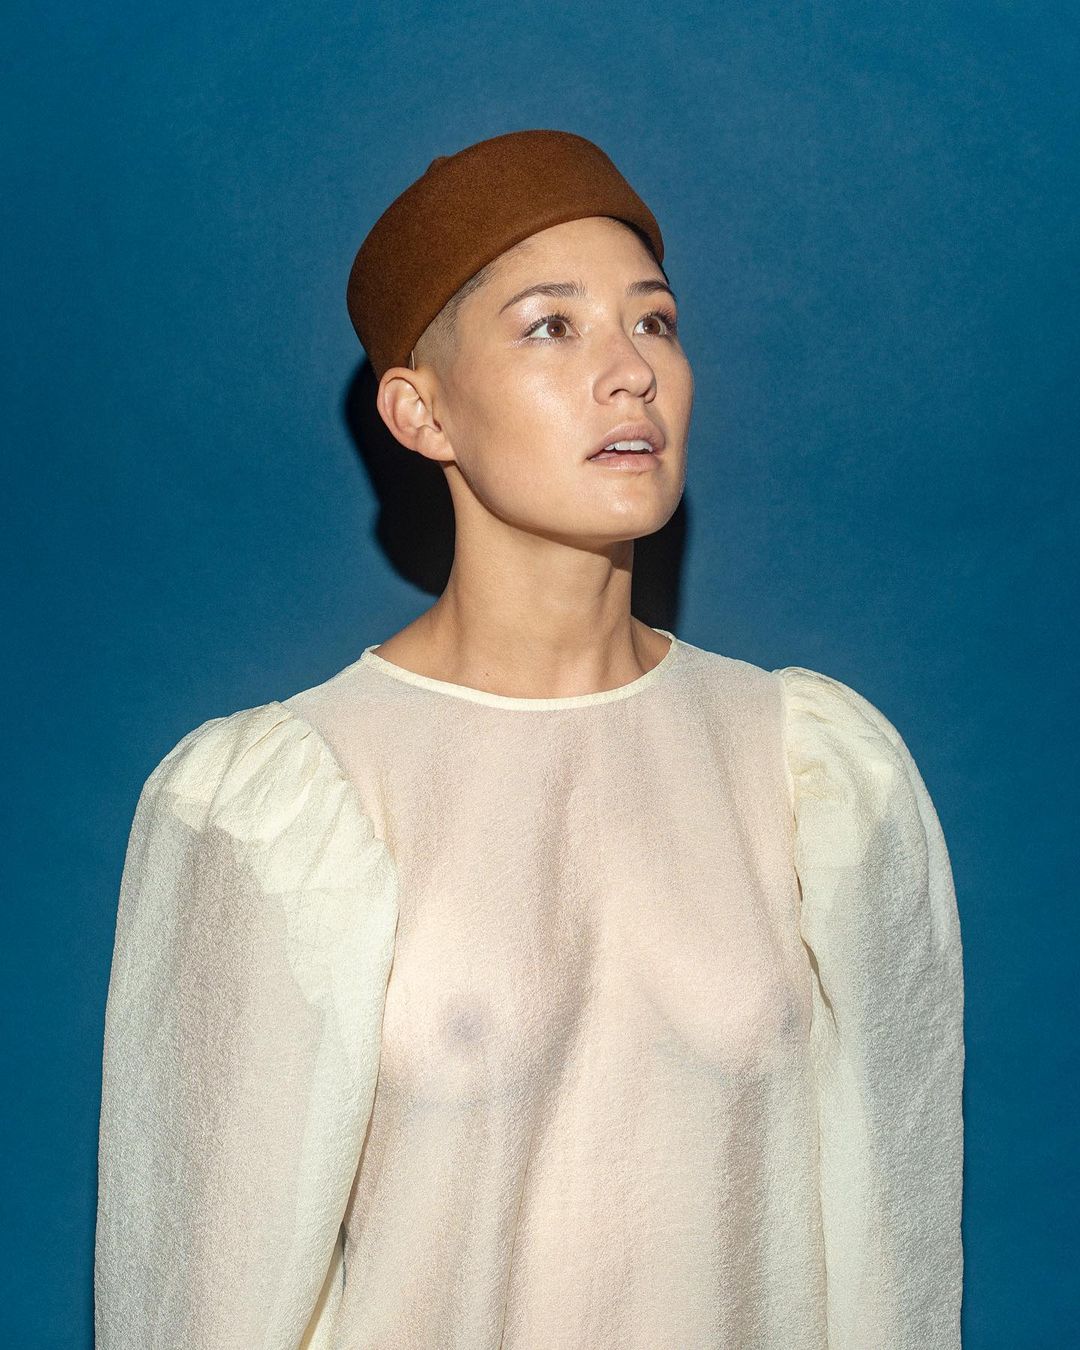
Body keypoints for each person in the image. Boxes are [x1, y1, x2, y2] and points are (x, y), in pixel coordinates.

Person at [93, 129, 965, 1349]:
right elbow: (201, 1303)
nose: (632, 372)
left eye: (654, 322)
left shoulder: (811, 770)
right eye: (551, 326)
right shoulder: (289, 806)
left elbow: (894, 1249)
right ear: (420, 412)